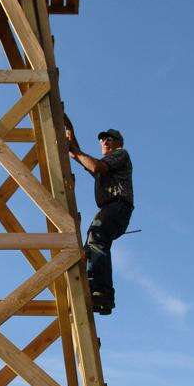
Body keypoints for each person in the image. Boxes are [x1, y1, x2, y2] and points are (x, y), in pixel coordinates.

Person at [64, 117, 134, 315]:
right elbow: (79, 157)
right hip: (112, 209)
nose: (104, 141)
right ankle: (97, 290)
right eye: (102, 139)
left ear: (118, 143)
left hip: (118, 206)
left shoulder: (120, 154)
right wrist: (70, 130)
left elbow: (94, 166)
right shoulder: (106, 165)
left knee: (97, 236)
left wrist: (75, 150)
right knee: (91, 244)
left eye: (109, 139)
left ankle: (102, 291)